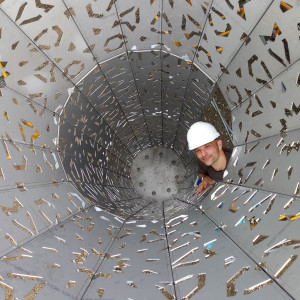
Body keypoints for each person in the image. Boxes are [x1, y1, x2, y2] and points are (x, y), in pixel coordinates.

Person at [187, 121, 232, 194]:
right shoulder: (204, 161)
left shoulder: (241, 163)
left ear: (219, 144)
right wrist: (205, 178)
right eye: (198, 150)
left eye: (207, 146)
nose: (203, 154)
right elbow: (200, 173)